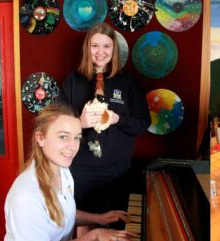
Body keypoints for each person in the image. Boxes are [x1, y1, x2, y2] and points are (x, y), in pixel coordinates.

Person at [0, 104, 136, 241]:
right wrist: (94, 235)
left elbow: (62, 212)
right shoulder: (26, 196)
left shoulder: (63, 171)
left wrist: (100, 218)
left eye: (77, 138)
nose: (73, 147)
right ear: (41, 138)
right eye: (63, 137)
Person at [57, 22, 151, 216]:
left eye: (106, 46)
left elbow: (142, 124)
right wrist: (80, 123)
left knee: (115, 227)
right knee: (84, 229)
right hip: (81, 170)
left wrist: (117, 119)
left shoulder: (128, 83)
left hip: (118, 171)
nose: (100, 52)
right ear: (87, 48)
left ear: (114, 49)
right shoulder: (73, 81)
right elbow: (57, 126)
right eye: (95, 46)